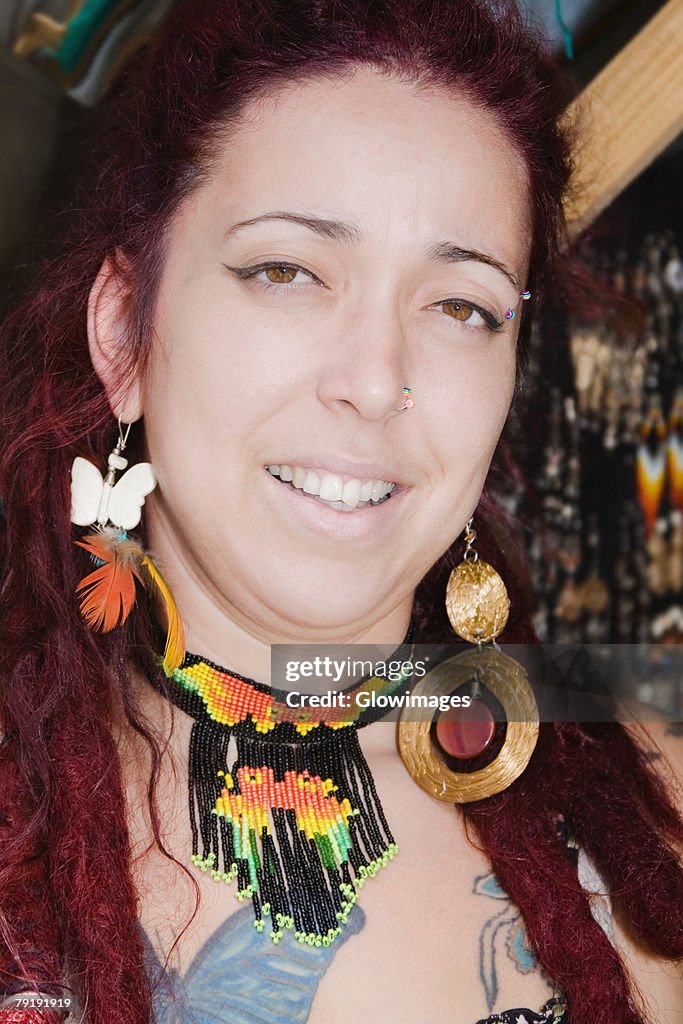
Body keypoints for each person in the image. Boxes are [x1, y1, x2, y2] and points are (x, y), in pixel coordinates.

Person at [1, 1, 682, 1022]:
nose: (375, 380)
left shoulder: (653, 784)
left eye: (458, 304)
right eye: (286, 270)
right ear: (122, 336)